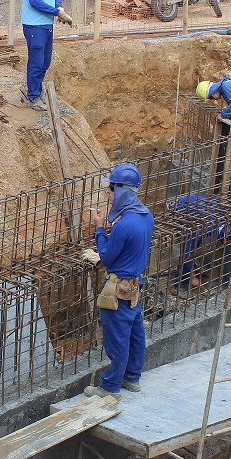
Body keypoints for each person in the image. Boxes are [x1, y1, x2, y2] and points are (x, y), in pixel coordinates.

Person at [84, 164, 155, 396]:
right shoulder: (146, 216)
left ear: (123, 190)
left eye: (112, 188)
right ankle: (132, 379)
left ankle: (110, 387)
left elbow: (106, 256)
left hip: (118, 291)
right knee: (135, 334)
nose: (108, 193)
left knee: (117, 339)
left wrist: (99, 229)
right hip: (134, 286)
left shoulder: (124, 225)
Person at [21, 0, 73, 110]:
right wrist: (57, 12)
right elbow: (34, 0)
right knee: (36, 61)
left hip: (46, 24)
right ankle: (33, 96)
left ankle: (37, 89)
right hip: (34, 25)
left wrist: (60, 7)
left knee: (45, 61)